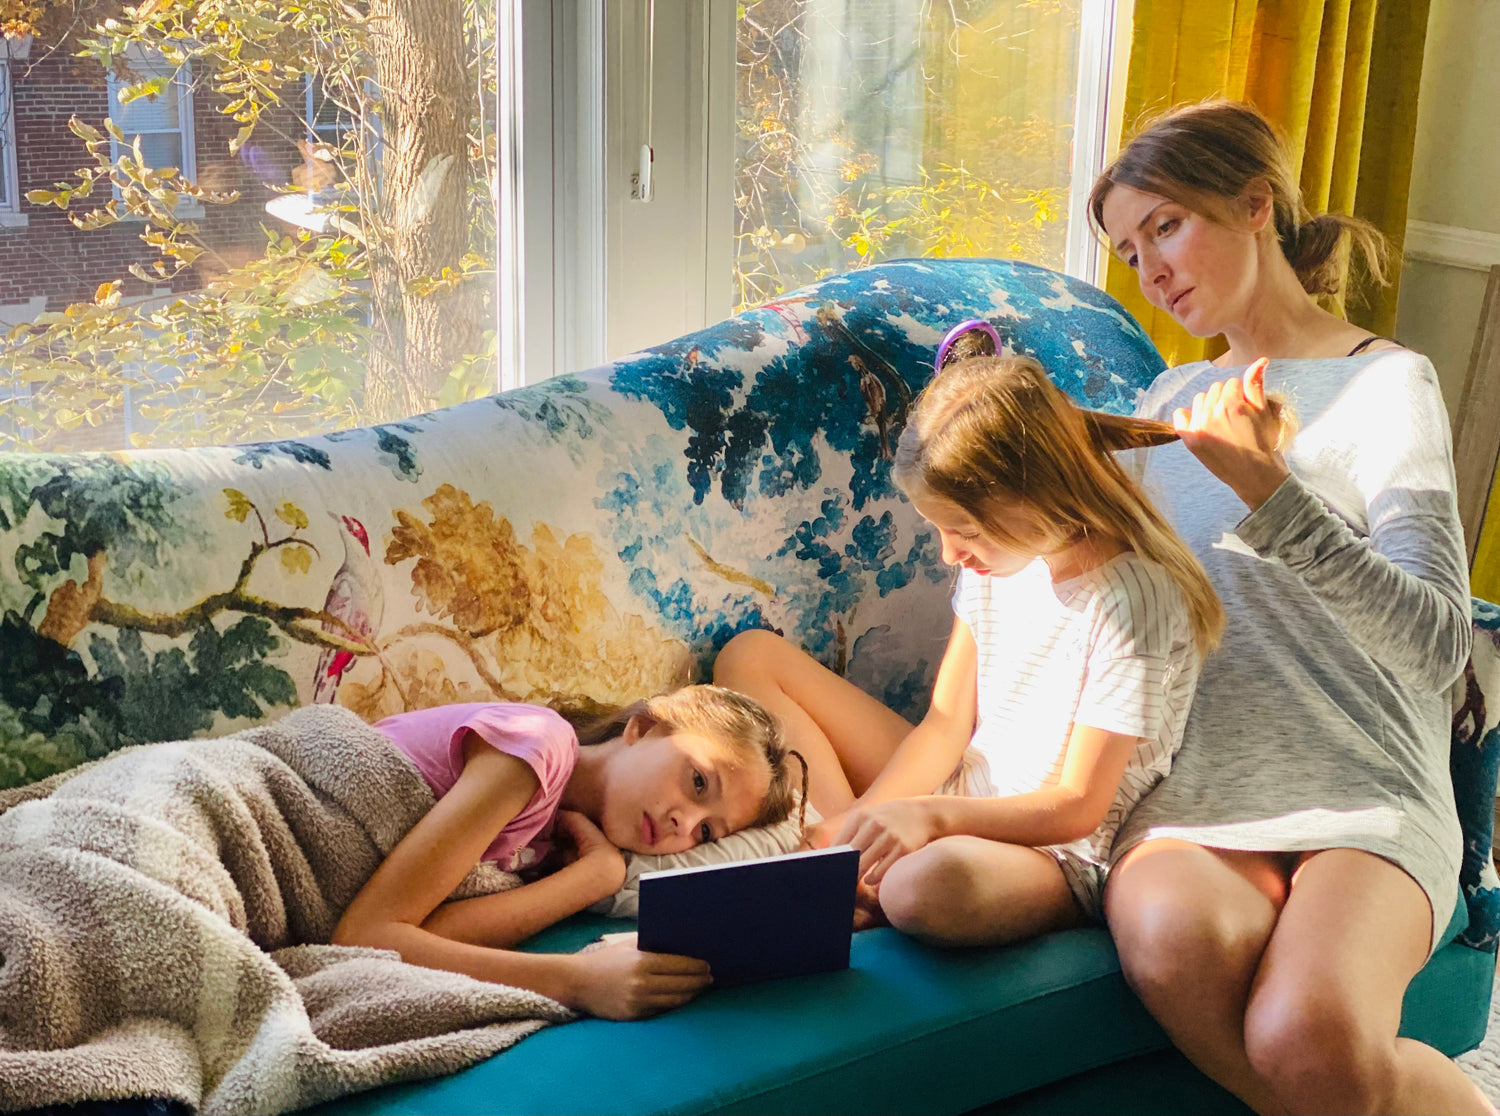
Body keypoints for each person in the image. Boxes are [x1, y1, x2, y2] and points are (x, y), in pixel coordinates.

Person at [1090, 99, 1491, 1115]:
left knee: (1309, 1034)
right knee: (1170, 943)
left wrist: (1270, 492)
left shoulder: (1385, 383)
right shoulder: (1165, 399)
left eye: (1166, 226)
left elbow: (1439, 644)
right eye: (1131, 253)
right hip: (1195, 789)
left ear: (1255, 204)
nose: (1152, 270)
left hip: (1367, 781)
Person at [715, 347, 1224, 946]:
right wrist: (861, 822)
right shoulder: (997, 564)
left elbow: (1079, 804)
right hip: (963, 792)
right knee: (750, 658)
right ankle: (843, 861)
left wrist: (929, 818)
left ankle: (866, 874)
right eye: (939, 529)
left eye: (966, 532)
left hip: (1052, 849)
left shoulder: (1130, 601)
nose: (948, 553)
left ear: (1037, 497)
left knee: (925, 887)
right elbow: (945, 725)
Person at [333, 684, 807, 1021]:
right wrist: (578, 980)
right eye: (698, 781)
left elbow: (421, 933)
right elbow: (365, 939)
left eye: (705, 832)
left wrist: (591, 880)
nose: (684, 824)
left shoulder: (549, 844)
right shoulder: (537, 746)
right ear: (644, 727)